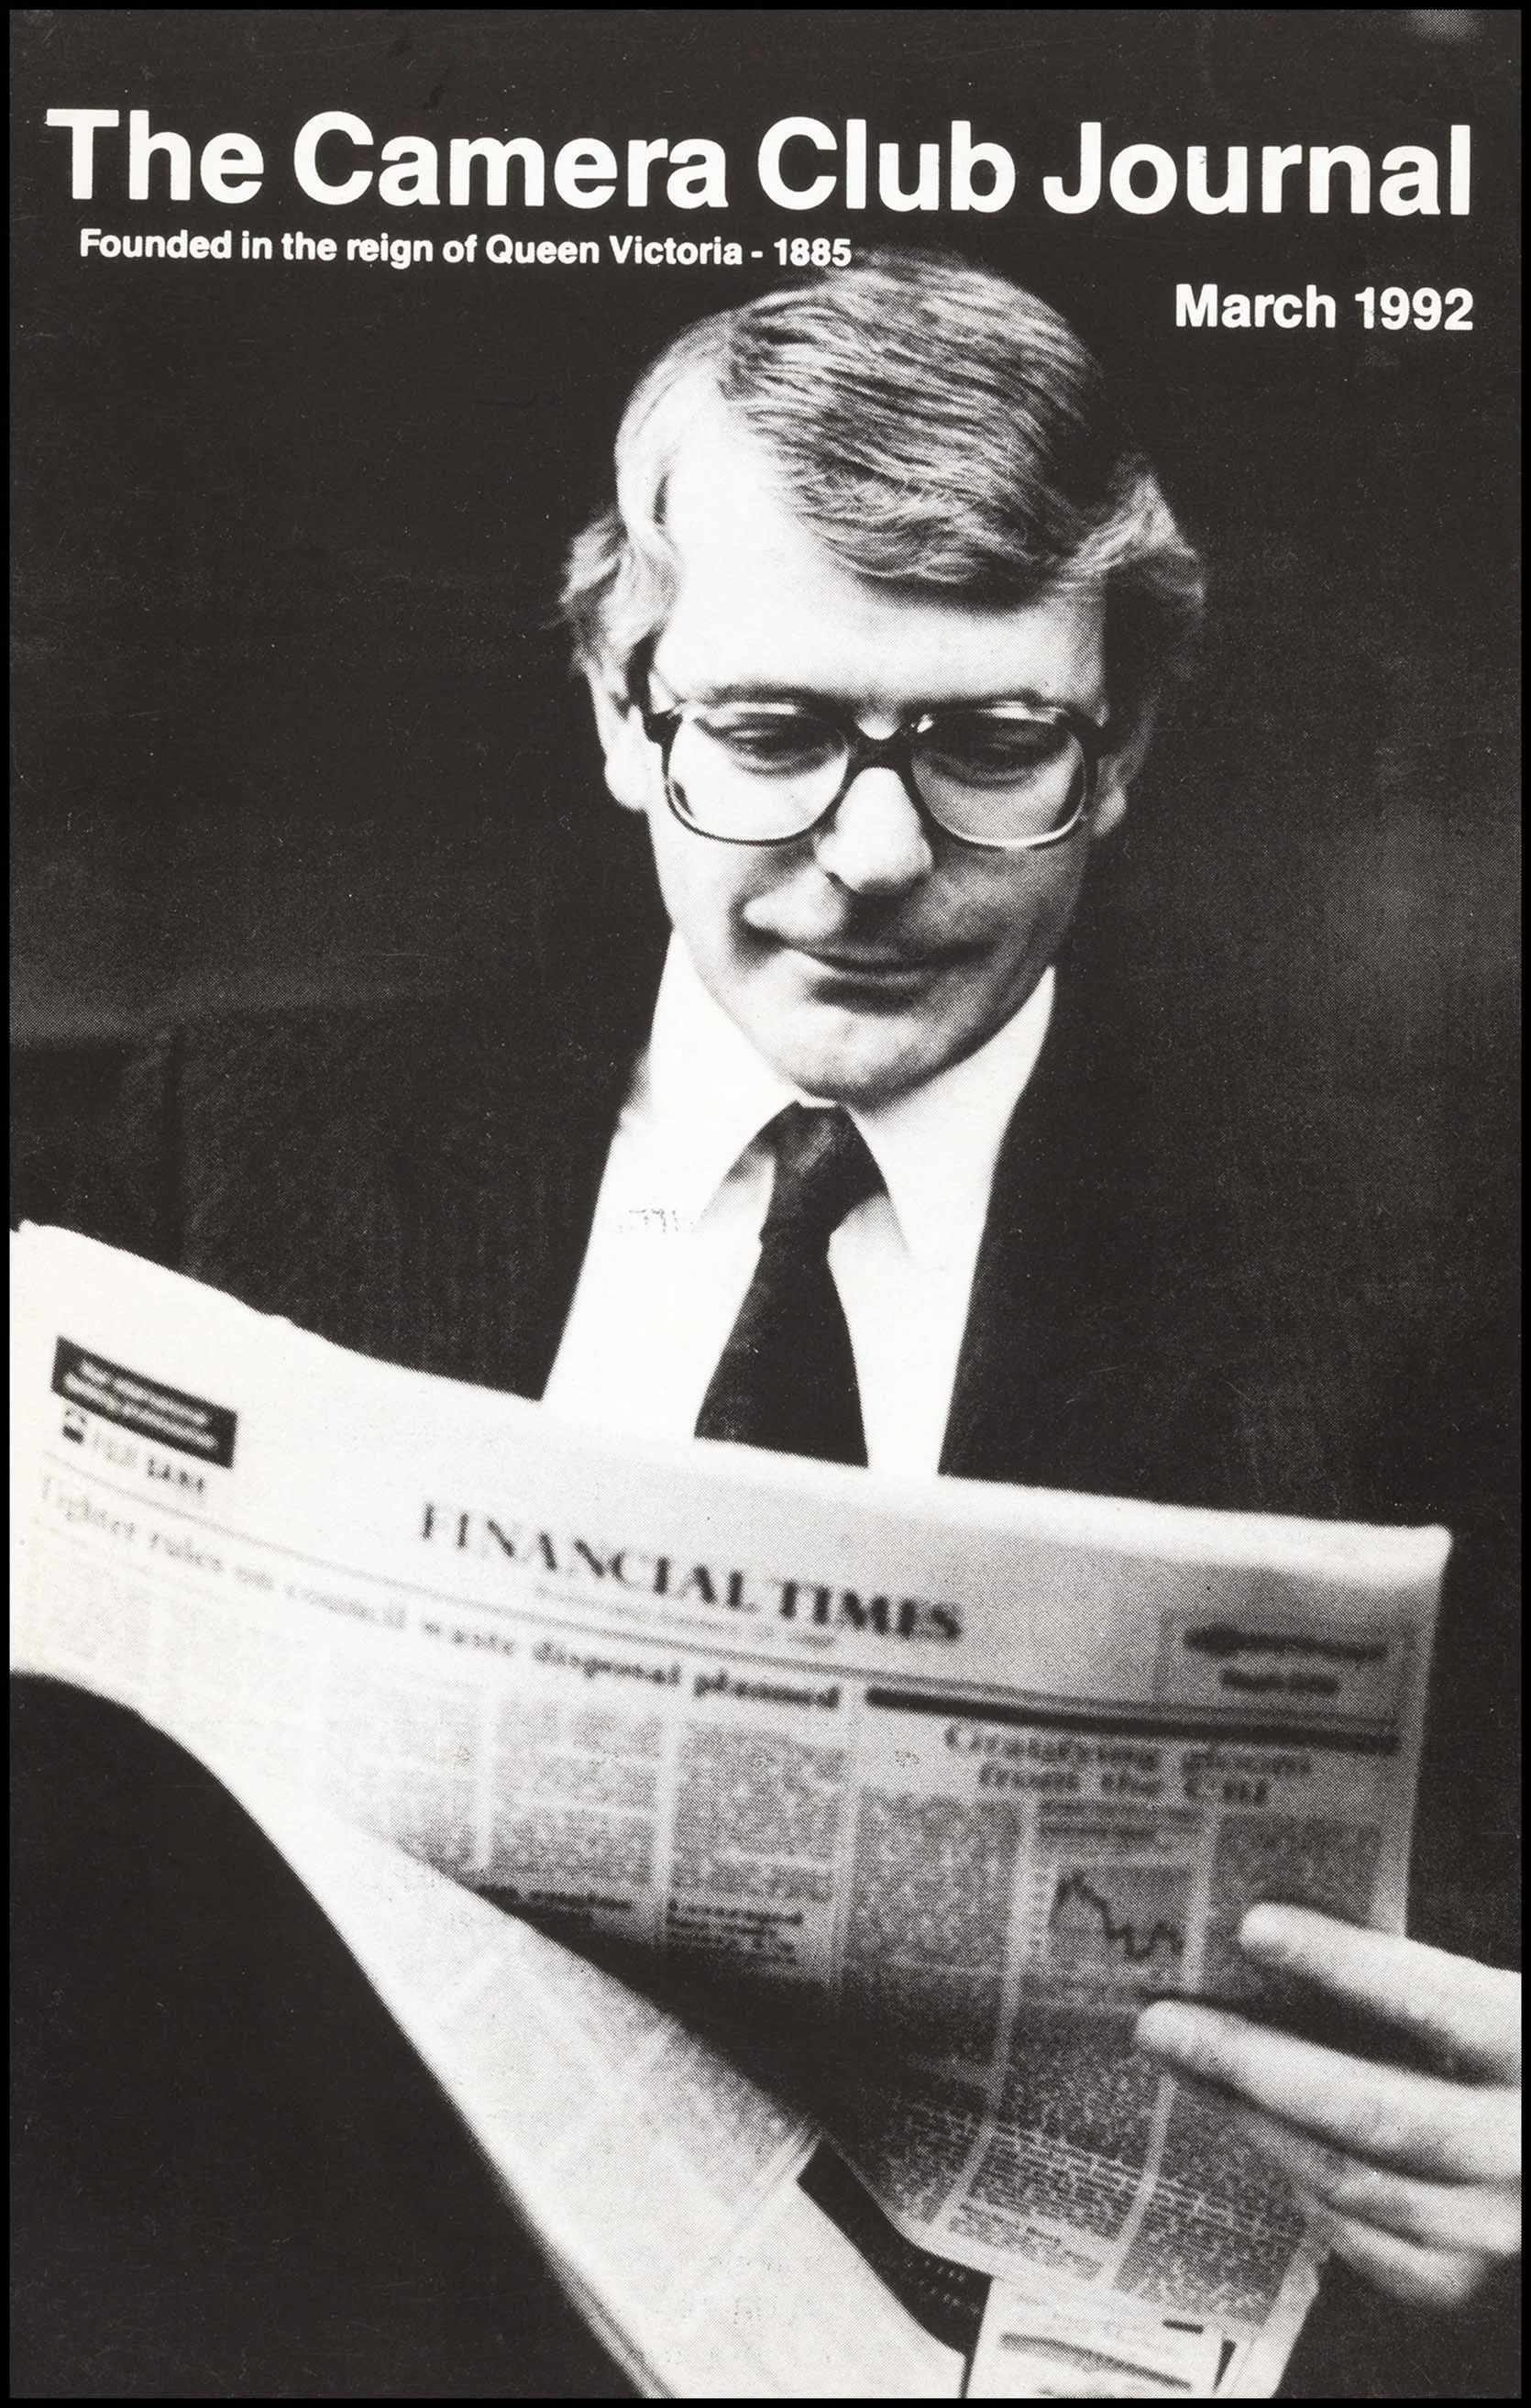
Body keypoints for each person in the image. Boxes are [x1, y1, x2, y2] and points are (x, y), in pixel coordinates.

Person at [13, 251, 1518, 2397]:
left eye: (996, 743)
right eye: (773, 734)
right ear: (621, 712)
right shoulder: (233, 1152)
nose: (875, 853)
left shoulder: (1431, 1269)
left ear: (1127, 742)